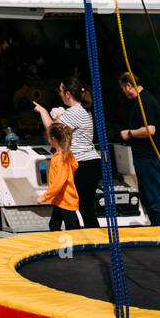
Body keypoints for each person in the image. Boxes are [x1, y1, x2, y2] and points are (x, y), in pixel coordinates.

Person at [33, 75, 101, 227]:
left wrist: (43, 111)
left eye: (61, 91)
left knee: (74, 207)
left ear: (68, 94)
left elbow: (52, 129)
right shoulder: (82, 110)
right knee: (84, 208)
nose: (59, 93)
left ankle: (83, 239)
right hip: (90, 163)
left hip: (82, 164)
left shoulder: (74, 112)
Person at [118, 72, 160, 226]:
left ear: (129, 85)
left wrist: (129, 133)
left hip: (149, 157)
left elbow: (150, 129)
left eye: (123, 88)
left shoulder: (145, 101)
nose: (123, 92)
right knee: (147, 197)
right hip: (144, 157)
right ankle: (158, 229)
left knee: (155, 197)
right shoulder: (139, 101)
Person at [38, 122, 80, 230]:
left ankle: (76, 245)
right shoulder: (66, 155)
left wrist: (45, 197)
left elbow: (58, 182)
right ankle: (60, 244)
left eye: (48, 138)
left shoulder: (61, 158)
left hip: (66, 200)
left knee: (71, 227)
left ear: (53, 139)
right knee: (54, 225)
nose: (48, 141)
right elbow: (75, 166)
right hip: (61, 200)